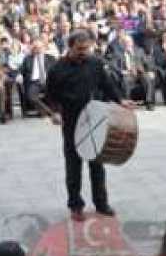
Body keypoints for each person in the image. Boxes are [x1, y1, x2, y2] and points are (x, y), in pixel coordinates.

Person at [44, 29, 126, 221]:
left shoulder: (95, 63)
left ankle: (101, 203)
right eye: (79, 48)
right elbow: (50, 96)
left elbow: (107, 85)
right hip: (71, 122)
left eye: (86, 48)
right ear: (70, 47)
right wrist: (54, 113)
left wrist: (120, 101)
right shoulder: (57, 69)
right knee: (73, 166)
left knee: (97, 165)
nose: (84, 52)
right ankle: (76, 206)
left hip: (95, 120)